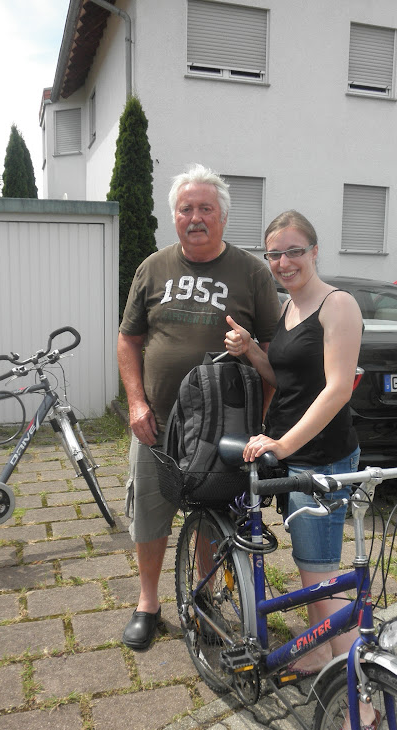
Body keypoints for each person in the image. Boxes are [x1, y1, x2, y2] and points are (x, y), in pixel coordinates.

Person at [224, 210, 375, 730]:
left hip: (323, 460)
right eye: (274, 254)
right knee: (315, 569)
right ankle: (317, 653)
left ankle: (362, 706)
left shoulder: (339, 305)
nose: (283, 262)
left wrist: (284, 445)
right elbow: (283, 377)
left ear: (315, 250)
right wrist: (252, 352)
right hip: (293, 456)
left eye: (293, 251)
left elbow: (336, 389)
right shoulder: (289, 308)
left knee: (328, 581)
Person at [118, 163, 280, 651]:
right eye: (186, 209)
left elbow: (274, 355)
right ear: (174, 217)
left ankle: (204, 596)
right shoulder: (153, 267)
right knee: (150, 514)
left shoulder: (252, 273)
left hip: (224, 428)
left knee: (216, 514)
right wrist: (136, 403)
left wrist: (261, 419)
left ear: (223, 217)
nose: (195, 217)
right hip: (157, 424)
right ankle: (148, 603)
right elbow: (128, 341)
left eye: (205, 208)